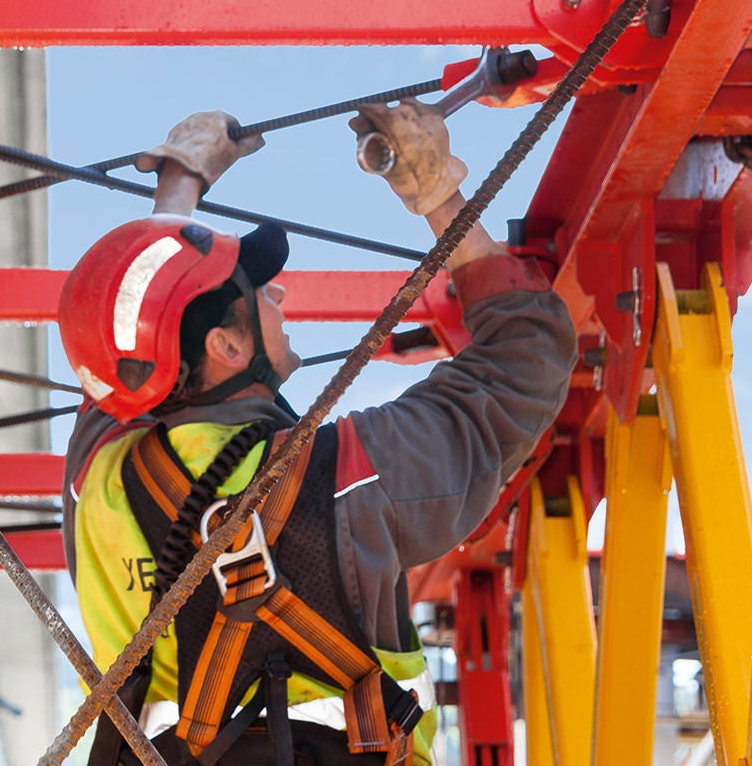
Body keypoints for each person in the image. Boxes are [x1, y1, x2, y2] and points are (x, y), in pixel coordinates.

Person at [58, 103, 576, 765]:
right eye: (256, 293)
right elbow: (525, 358)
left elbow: (122, 350)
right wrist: (442, 195)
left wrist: (179, 185)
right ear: (223, 344)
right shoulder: (349, 476)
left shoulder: (96, 480)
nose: (276, 298)